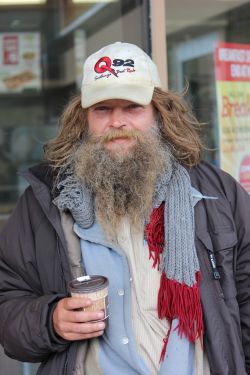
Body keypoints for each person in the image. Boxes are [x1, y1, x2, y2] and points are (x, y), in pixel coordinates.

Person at [0, 41, 249, 375]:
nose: (117, 121)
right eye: (102, 109)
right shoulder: (44, 203)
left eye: (132, 106)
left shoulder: (216, 193)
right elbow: (8, 302)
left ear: (159, 112)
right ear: (83, 118)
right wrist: (49, 320)